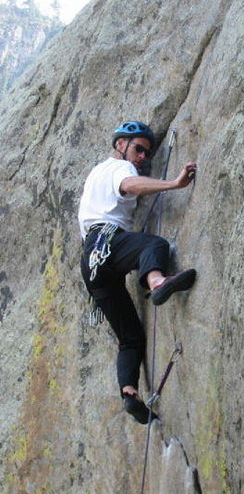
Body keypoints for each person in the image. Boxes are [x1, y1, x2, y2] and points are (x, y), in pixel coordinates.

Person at [78, 121, 197, 424]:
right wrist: (174, 184)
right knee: (152, 245)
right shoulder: (121, 168)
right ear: (121, 145)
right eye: (138, 148)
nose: (142, 156)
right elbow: (128, 186)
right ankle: (157, 281)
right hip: (107, 240)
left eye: (146, 151)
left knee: (130, 338)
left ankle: (129, 392)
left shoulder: (95, 173)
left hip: (92, 263)